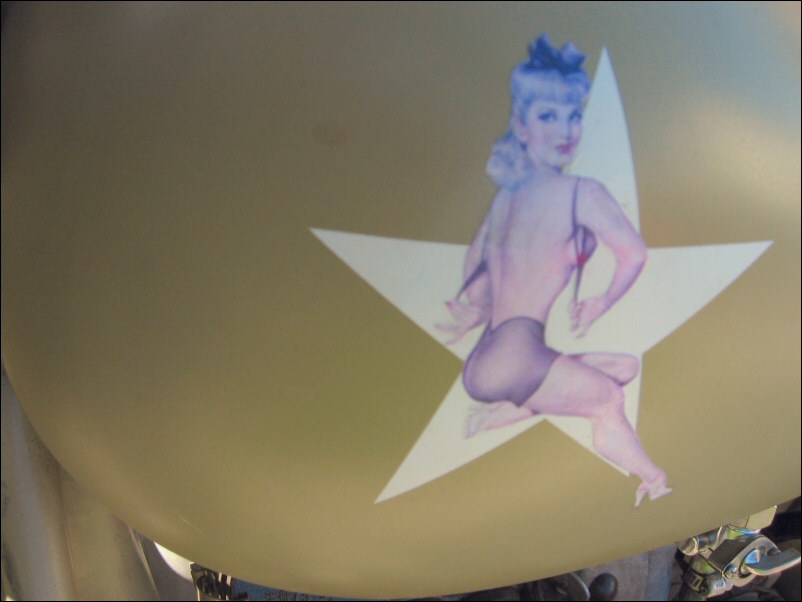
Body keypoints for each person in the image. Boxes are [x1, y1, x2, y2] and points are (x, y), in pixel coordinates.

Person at [437, 35, 671, 506]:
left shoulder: (504, 199)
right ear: (521, 126)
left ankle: (505, 411)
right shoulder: (581, 191)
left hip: (487, 360)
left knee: (625, 367)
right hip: (518, 357)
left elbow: (474, 272)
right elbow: (634, 254)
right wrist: (603, 301)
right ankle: (653, 479)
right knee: (606, 401)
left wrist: (474, 314)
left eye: (574, 116)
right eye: (548, 116)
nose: (566, 130)